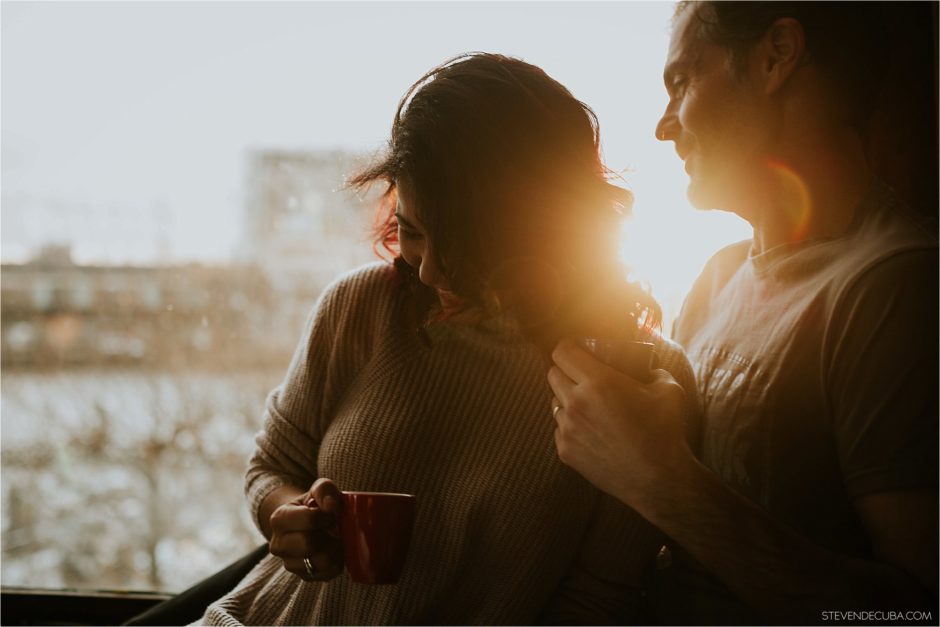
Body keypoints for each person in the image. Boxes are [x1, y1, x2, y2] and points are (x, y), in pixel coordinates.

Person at [197, 52, 698, 625]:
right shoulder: (362, 307)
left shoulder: (639, 381)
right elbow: (271, 467)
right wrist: (290, 520)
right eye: (411, 231)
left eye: (461, 242)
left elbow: (595, 603)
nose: (429, 271)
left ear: (548, 228)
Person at [548, 2, 938, 624]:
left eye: (682, 81)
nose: (663, 126)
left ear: (775, 56)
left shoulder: (895, 288)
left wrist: (660, 480)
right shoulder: (716, 278)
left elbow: (917, 615)